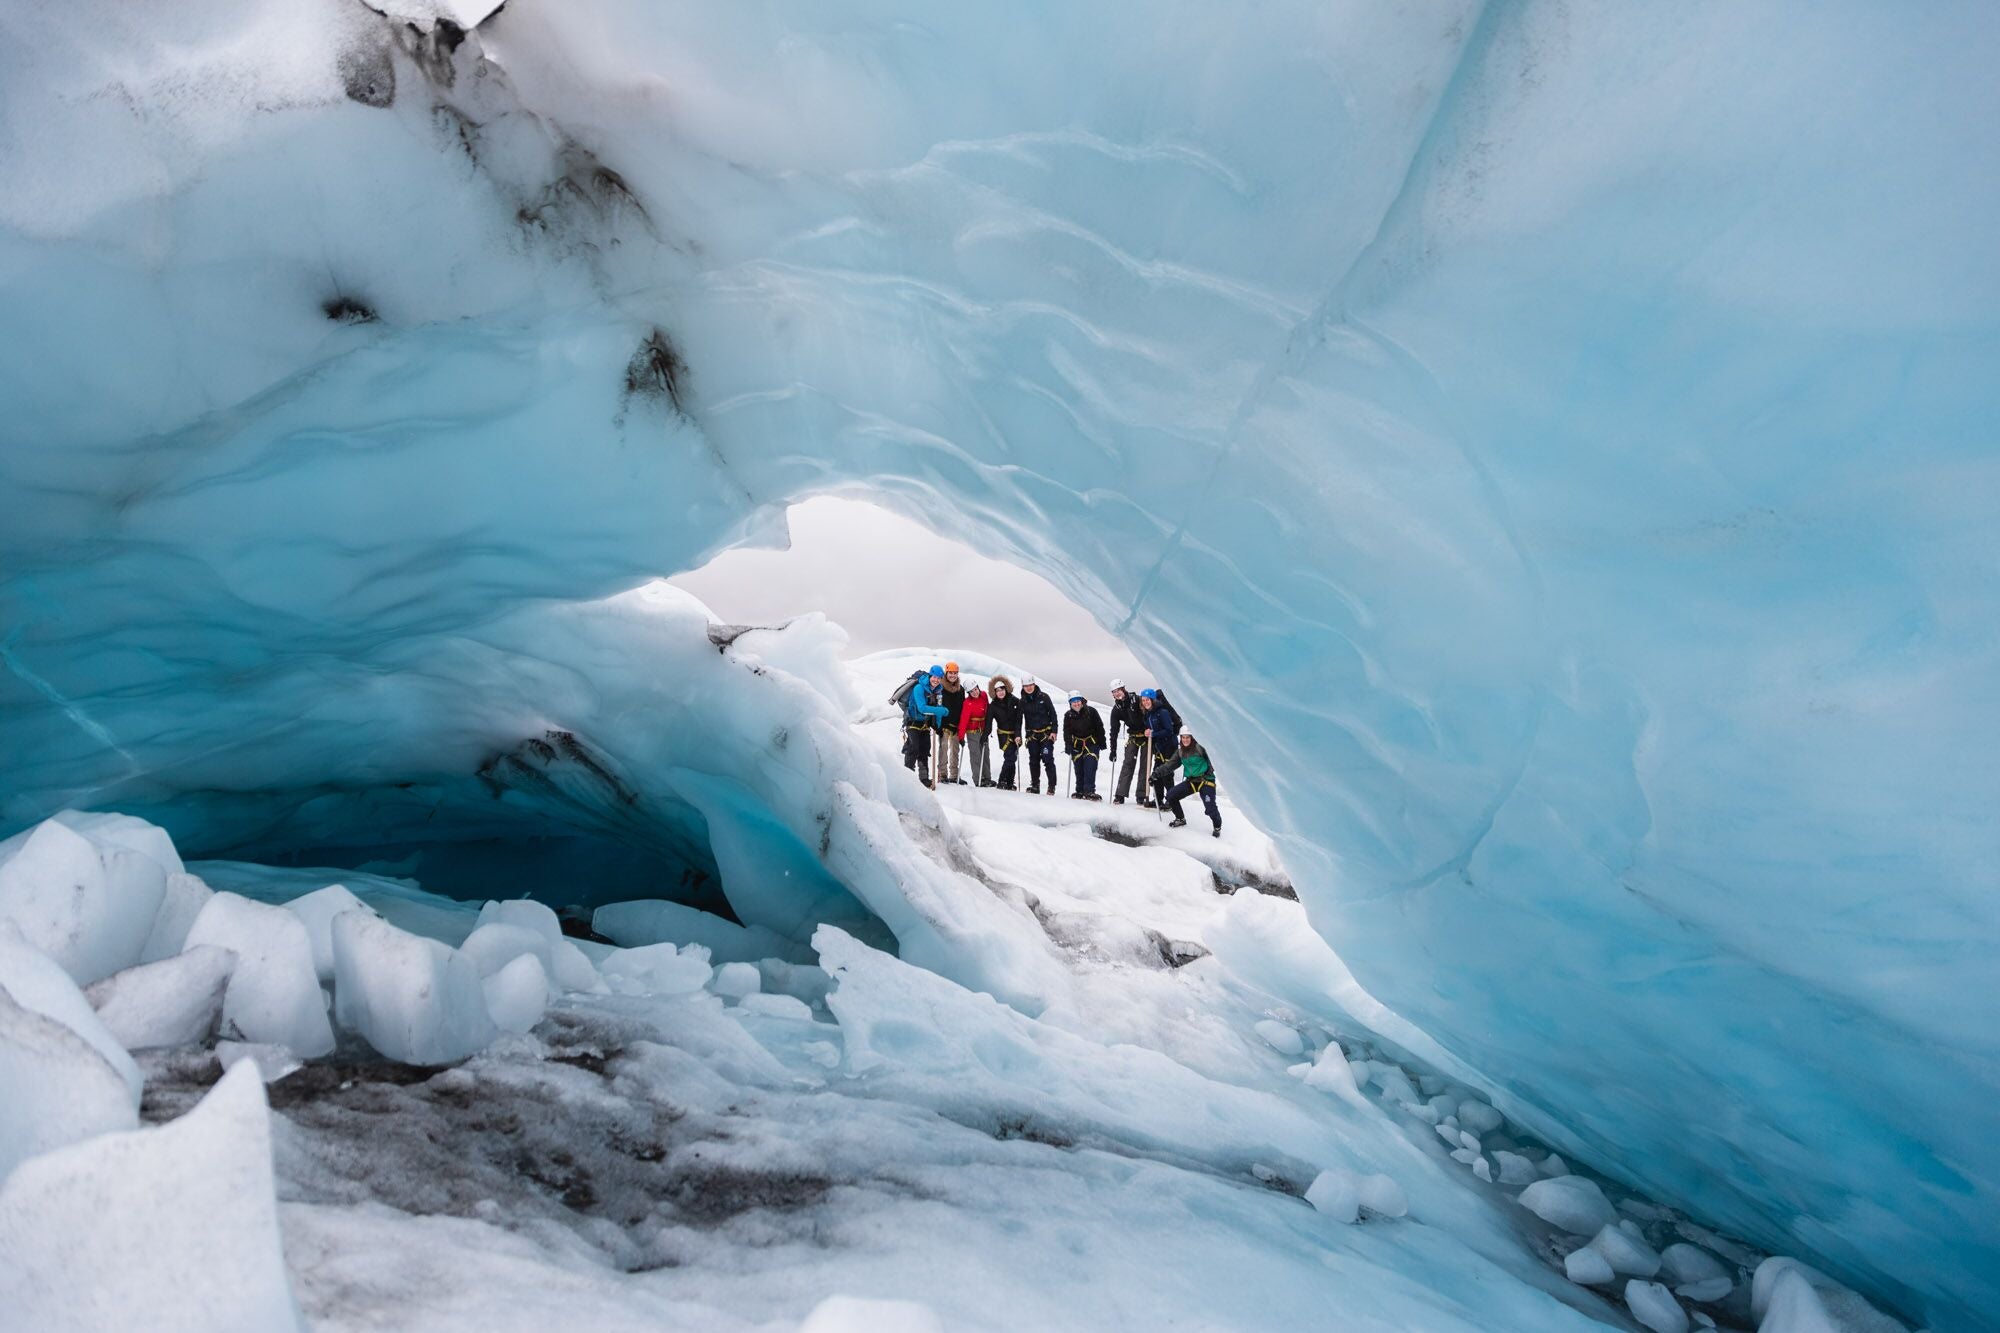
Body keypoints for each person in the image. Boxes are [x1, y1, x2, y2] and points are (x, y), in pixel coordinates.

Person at [1154, 727, 1221, 837]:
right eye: (1183, 737)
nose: (1185, 740)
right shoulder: (1180, 752)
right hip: (1192, 781)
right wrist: (1156, 774)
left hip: (1206, 781)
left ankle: (1217, 826)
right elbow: (1169, 766)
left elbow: (1213, 757)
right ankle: (1180, 818)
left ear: (1192, 738)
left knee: (1210, 808)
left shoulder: (1200, 748)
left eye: (1188, 737)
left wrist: (1210, 767)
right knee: (1171, 795)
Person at [902, 664, 949, 788]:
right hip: (912, 722)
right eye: (934, 677)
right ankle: (907, 779)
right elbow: (922, 708)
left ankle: (923, 779)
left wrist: (938, 725)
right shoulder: (919, 688)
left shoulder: (938, 690)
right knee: (913, 749)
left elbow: (938, 708)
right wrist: (942, 711)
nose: (936, 680)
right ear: (930, 675)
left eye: (939, 678)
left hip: (925, 724)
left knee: (924, 750)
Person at [1106, 679, 1150, 806]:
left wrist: (1152, 729)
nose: (1117, 693)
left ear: (1123, 689)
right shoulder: (1117, 709)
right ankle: (1120, 795)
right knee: (1128, 764)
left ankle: (1141, 795)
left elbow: (1150, 713)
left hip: (1147, 737)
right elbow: (1114, 731)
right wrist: (1113, 750)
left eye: (1118, 690)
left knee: (1145, 765)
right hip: (1134, 737)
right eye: (1114, 692)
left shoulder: (1137, 700)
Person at [1140, 688, 1181, 807]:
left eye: (1147, 700)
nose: (1145, 702)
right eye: (1143, 700)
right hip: (1159, 748)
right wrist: (1148, 733)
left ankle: (1171, 800)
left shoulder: (1162, 712)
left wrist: (1153, 734)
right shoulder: (1148, 714)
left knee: (1167, 774)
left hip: (1169, 746)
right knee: (1156, 774)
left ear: (1153, 700)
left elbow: (1169, 730)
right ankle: (1158, 800)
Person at [1063, 691, 1106, 800]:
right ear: (1070, 703)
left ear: (1082, 701)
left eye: (1078, 701)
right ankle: (1080, 791)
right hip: (1077, 745)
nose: (1076, 704)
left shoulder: (1091, 711)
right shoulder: (1068, 715)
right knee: (1079, 768)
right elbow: (1067, 732)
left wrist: (1102, 742)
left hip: (1092, 743)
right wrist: (1068, 745)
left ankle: (1089, 791)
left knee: (1090, 766)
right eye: (1073, 702)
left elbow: (1099, 727)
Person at [1020, 675, 1059, 795]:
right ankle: (1035, 785)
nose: (1029, 688)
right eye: (1026, 686)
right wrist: (1018, 734)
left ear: (1034, 685)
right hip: (1032, 736)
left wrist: (1054, 731)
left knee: (1048, 759)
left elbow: (1053, 714)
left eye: (1030, 685)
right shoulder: (1023, 701)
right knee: (1033, 760)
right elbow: (1018, 720)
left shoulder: (1044, 697)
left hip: (1046, 735)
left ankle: (1051, 786)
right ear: (1023, 687)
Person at [987, 674, 1024, 790]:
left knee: (1013, 757)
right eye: (997, 691)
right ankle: (1002, 780)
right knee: (1010, 757)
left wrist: (1018, 735)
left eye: (1002, 689)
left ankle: (1009, 782)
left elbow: (1019, 720)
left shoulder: (1015, 701)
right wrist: (985, 735)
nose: (1000, 692)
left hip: (1015, 734)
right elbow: (988, 722)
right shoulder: (993, 705)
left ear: (1005, 689)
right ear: (995, 692)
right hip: (1003, 735)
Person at [938, 662, 968, 785]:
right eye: (951, 673)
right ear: (946, 673)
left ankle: (954, 775)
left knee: (955, 750)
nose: (953, 675)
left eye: (955, 673)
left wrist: (961, 728)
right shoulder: (940, 687)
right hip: (944, 724)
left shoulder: (960, 690)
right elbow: (938, 706)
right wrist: (938, 725)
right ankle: (942, 774)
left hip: (956, 725)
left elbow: (962, 708)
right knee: (943, 748)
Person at [960, 680, 993, 787]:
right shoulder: (967, 703)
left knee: (985, 754)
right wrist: (961, 736)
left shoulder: (984, 695)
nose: (975, 692)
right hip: (972, 732)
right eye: (971, 691)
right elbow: (964, 720)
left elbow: (988, 711)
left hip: (983, 731)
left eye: (975, 689)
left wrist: (987, 730)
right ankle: (978, 779)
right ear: (968, 693)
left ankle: (987, 778)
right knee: (976, 756)